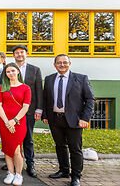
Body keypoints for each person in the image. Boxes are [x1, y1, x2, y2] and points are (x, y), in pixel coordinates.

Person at [42, 54, 94, 186]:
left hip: (75, 120)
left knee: (75, 148)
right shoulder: (49, 79)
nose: (62, 65)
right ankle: (64, 170)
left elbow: (90, 99)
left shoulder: (81, 78)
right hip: (55, 119)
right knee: (60, 146)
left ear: (69, 63)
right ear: (54, 65)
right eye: (59, 63)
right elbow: (46, 99)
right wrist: (45, 115)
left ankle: (76, 176)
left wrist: (85, 118)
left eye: (65, 62)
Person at [10, 45, 43, 178]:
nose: (19, 55)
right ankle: (12, 163)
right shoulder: (9, 69)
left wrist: (39, 109)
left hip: (29, 110)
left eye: (21, 53)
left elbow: (39, 90)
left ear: (26, 54)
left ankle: (30, 164)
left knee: (28, 139)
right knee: (12, 138)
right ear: (13, 55)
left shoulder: (35, 70)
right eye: (16, 53)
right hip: (12, 110)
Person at [0, 63, 31, 186]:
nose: (10, 73)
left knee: (16, 149)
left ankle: (19, 174)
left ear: (18, 72)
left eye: (13, 71)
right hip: (4, 121)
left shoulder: (26, 88)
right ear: (5, 74)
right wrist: (6, 122)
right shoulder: (2, 87)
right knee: (7, 148)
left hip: (19, 122)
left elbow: (26, 107)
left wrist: (14, 121)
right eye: (8, 72)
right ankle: (10, 173)